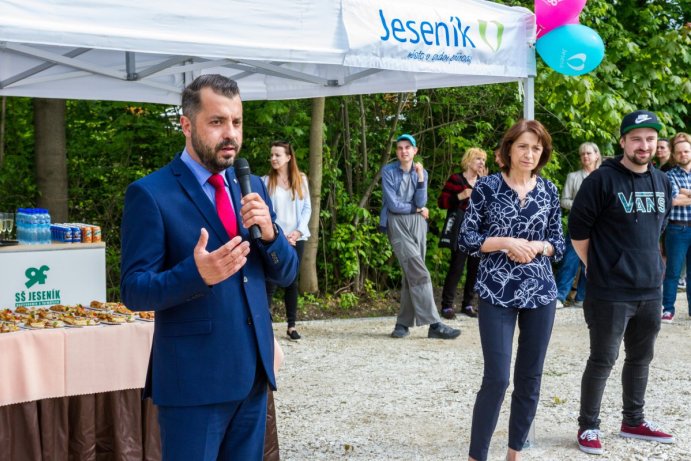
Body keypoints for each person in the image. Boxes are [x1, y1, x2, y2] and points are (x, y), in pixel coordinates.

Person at [120, 74, 298, 461]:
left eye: (236, 122)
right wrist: (196, 274)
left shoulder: (248, 185)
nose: (230, 133)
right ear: (186, 125)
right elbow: (134, 290)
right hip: (193, 385)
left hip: (252, 376)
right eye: (217, 122)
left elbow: (287, 274)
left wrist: (271, 237)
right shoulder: (150, 194)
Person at [569, 110, 674, 455]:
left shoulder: (662, 181)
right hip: (610, 291)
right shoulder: (600, 181)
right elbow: (578, 232)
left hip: (650, 290)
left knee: (641, 358)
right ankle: (588, 427)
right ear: (623, 142)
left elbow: (659, 228)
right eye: (636, 139)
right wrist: (600, 266)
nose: (644, 145)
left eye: (650, 139)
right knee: (603, 359)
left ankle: (633, 420)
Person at [459, 119, 564, 461]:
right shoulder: (487, 187)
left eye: (536, 147)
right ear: (508, 149)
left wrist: (538, 247)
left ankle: (514, 452)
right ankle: (477, 455)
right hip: (495, 291)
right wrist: (505, 242)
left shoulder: (548, 190)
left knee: (530, 378)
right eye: (523, 146)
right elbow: (466, 238)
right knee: (498, 378)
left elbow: (558, 243)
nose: (529, 153)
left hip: (540, 293)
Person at [381, 133, 460, 340]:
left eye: (408, 147)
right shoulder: (388, 171)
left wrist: (422, 179)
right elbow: (394, 205)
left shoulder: (420, 171)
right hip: (397, 223)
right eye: (400, 147)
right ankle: (434, 324)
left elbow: (422, 199)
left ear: (415, 151)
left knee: (412, 274)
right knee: (419, 272)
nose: (403, 151)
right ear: (397, 152)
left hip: (418, 225)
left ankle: (403, 324)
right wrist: (416, 209)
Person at [263, 140, 312, 339]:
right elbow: (264, 212)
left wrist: (298, 232)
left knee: (291, 281)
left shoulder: (301, 179)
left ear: (288, 158)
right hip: (274, 238)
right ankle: (266, 326)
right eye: (272, 155)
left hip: (296, 238)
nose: (273, 158)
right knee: (270, 281)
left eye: (278, 155)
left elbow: (307, 208)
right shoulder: (265, 181)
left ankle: (291, 325)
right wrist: (278, 234)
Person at [437, 147, 487, 319]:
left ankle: (468, 304)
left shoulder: (484, 181)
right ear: (468, 160)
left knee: (475, 268)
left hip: (479, 230)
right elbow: (441, 202)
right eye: (478, 159)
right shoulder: (456, 179)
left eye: (483, 160)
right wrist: (460, 196)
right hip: (460, 228)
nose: (482, 162)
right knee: (457, 266)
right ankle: (447, 305)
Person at [554, 142, 602, 308]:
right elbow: (564, 200)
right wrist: (583, 206)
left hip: (600, 227)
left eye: (588, 153)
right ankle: (560, 297)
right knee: (570, 261)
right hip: (578, 225)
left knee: (593, 262)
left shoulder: (605, 175)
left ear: (597, 155)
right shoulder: (573, 177)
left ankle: (582, 297)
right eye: (582, 154)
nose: (585, 157)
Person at [661, 132, 691, 323]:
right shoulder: (669, 175)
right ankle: (668, 309)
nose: (683, 155)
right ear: (674, 155)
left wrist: (684, 192)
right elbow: (671, 200)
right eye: (679, 153)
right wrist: (679, 196)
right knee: (672, 272)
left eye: (686, 151)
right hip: (676, 229)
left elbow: (680, 197)